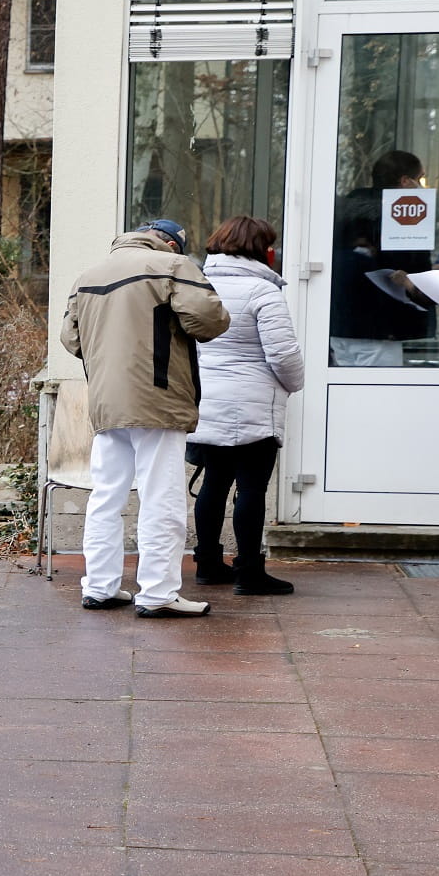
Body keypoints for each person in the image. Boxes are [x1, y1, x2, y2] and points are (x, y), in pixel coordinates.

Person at [61, 218, 230, 617]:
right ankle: (157, 593)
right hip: (158, 397)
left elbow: (71, 340)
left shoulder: (88, 276)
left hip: (106, 400)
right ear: (171, 244)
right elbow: (210, 320)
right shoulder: (173, 266)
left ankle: (99, 587)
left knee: (105, 497)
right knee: (161, 497)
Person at [187, 216, 303, 596]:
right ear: (261, 249)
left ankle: (206, 564)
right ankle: (250, 572)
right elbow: (283, 356)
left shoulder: (198, 286)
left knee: (213, 485)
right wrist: (294, 385)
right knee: (251, 489)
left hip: (205, 401)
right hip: (253, 406)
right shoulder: (263, 292)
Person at [330, 150, 438, 367]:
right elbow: (408, 267)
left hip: (341, 323)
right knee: (379, 395)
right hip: (382, 324)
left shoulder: (346, 209)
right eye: (421, 178)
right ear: (406, 181)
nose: (423, 185)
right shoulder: (401, 212)